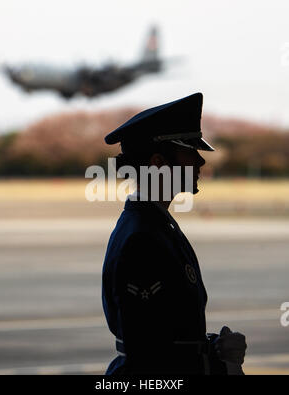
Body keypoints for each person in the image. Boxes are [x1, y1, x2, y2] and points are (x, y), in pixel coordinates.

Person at [102, 93, 247, 375]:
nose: (200, 162)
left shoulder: (157, 225)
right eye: (189, 152)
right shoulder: (143, 238)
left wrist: (214, 348)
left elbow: (168, 333)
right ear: (158, 162)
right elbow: (150, 357)